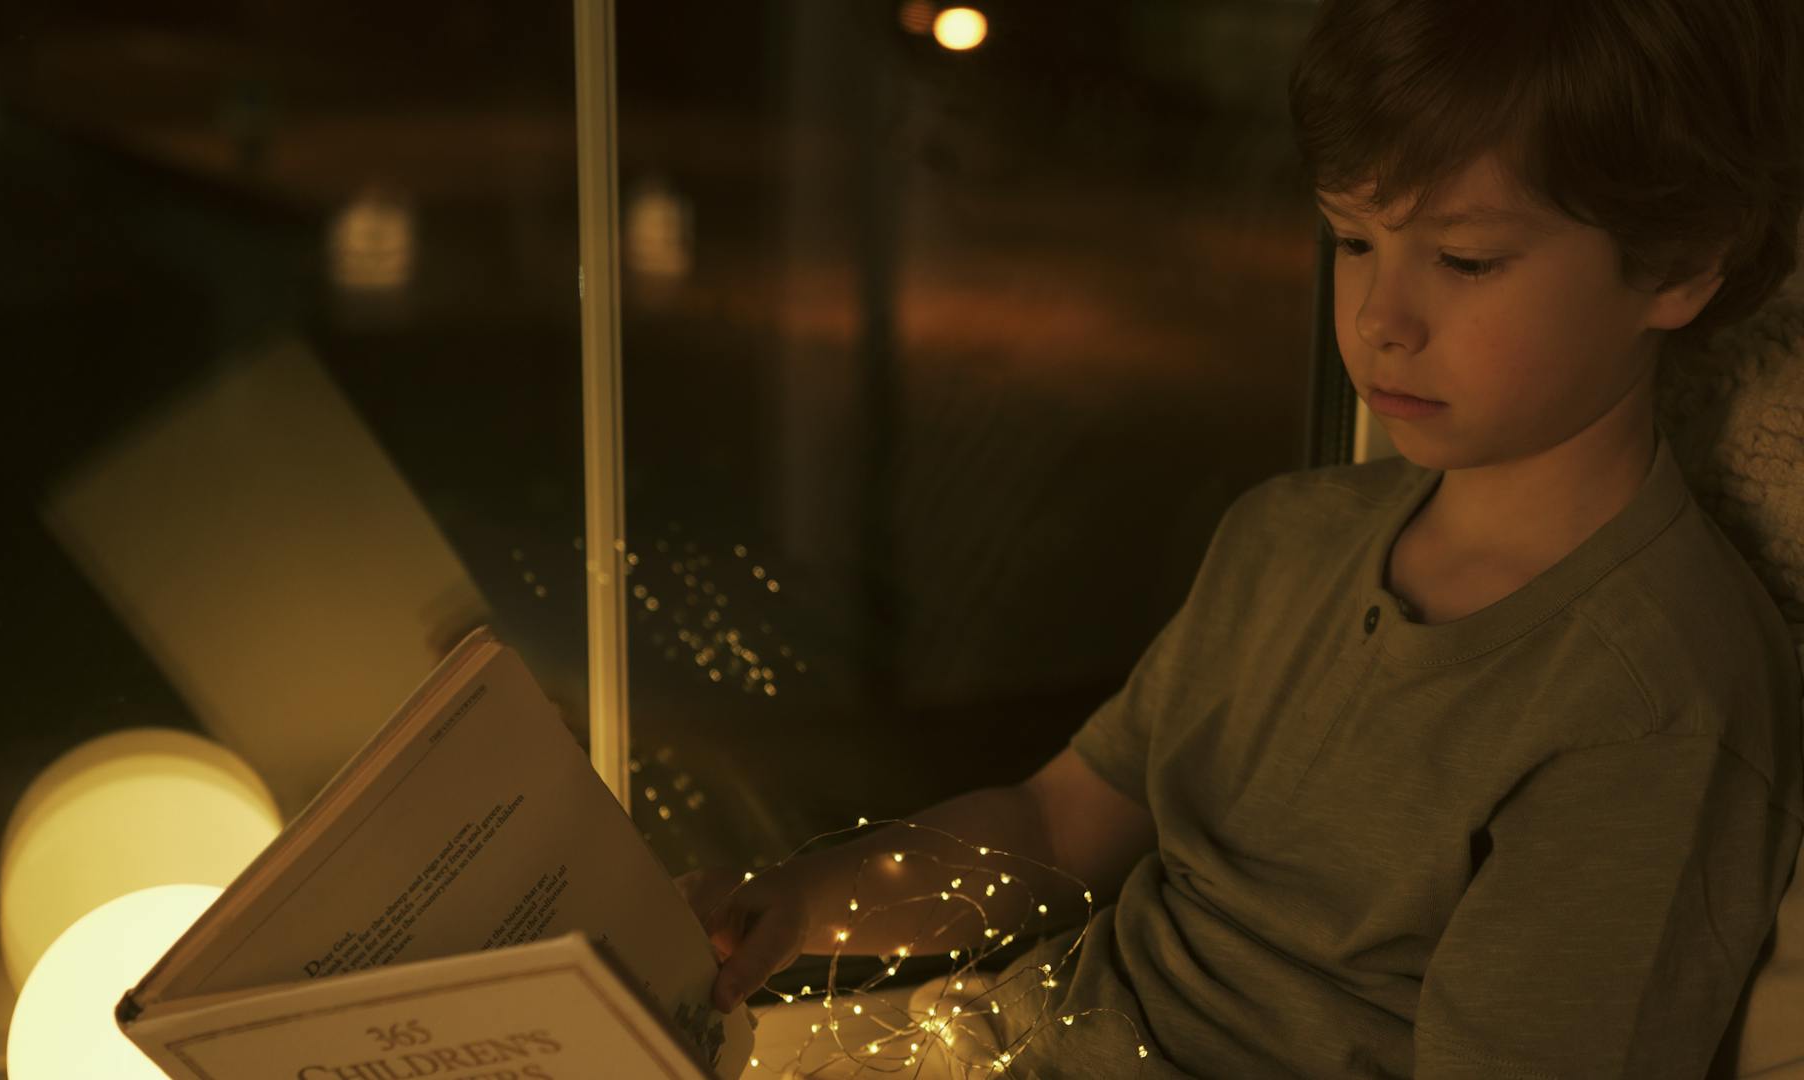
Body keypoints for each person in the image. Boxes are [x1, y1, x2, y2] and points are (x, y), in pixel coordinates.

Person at [679, 0, 1804, 1075]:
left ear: (1680, 264)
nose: (1379, 320)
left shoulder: (1652, 704)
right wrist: (800, 903)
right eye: (1353, 242)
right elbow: (1057, 821)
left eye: (1465, 260)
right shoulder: (1290, 537)